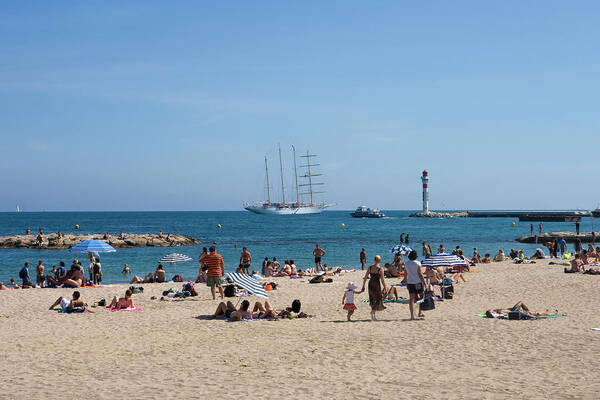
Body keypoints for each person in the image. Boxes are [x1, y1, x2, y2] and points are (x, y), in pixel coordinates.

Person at [361, 255, 388, 321]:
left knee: (372, 299)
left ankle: (373, 316)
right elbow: (382, 280)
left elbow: (365, 277)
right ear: (380, 260)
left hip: (370, 284)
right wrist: (385, 287)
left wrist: (363, 286)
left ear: (374, 260)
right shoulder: (380, 269)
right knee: (378, 299)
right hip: (376, 284)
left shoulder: (370, 267)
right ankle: (372, 312)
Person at [405, 250, 426, 320]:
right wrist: (425, 283)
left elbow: (405, 274)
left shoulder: (406, 263)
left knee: (411, 299)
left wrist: (406, 283)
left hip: (410, 282)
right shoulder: (418, 263)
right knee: (421, 297)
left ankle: (412, 315)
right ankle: (420, 312)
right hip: (418, 282)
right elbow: (420, 274)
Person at [485, 301, 554, 319]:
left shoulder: (496, 310)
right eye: (490, 310)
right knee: (537, 313)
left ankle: (546, 312)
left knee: (536, 313)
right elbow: (504, 315)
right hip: (514, 311)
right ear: (492, 312)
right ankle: (552, 313)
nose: (490, 309)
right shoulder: (498, 313)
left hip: (514, 310)